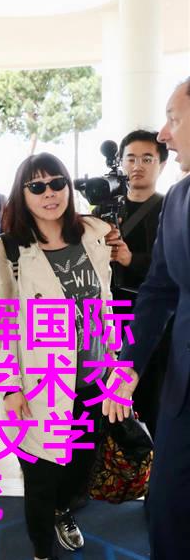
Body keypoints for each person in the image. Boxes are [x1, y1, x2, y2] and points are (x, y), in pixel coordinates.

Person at [0, 153, 111, 560]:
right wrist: (9, 387)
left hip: (94, 379)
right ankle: (43, 556)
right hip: (40, 386)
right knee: (40, 477)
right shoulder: (10, 249)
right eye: (36, 186)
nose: (49, 194)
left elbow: (108, 298)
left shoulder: (93, 233)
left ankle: (64, 510)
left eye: (57, 183)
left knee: (80, 466)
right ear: (22, 194)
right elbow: (0, 324)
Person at [103, 78, 190, 560]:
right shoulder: (179, 201)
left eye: (174, 118)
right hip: (182, 383)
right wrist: (128, 366)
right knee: (167, 499)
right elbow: (158, 289)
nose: (165, 133)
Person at [103, 130, 169, 437]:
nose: (137, 166)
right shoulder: (103, 210)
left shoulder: (170, 208)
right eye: (130, 158)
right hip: (107, 320)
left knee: (154, 400)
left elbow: (174, 269)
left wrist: (133, 260)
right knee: (107, 410)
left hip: (155, 324)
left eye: (147, 159)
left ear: (161, 164)